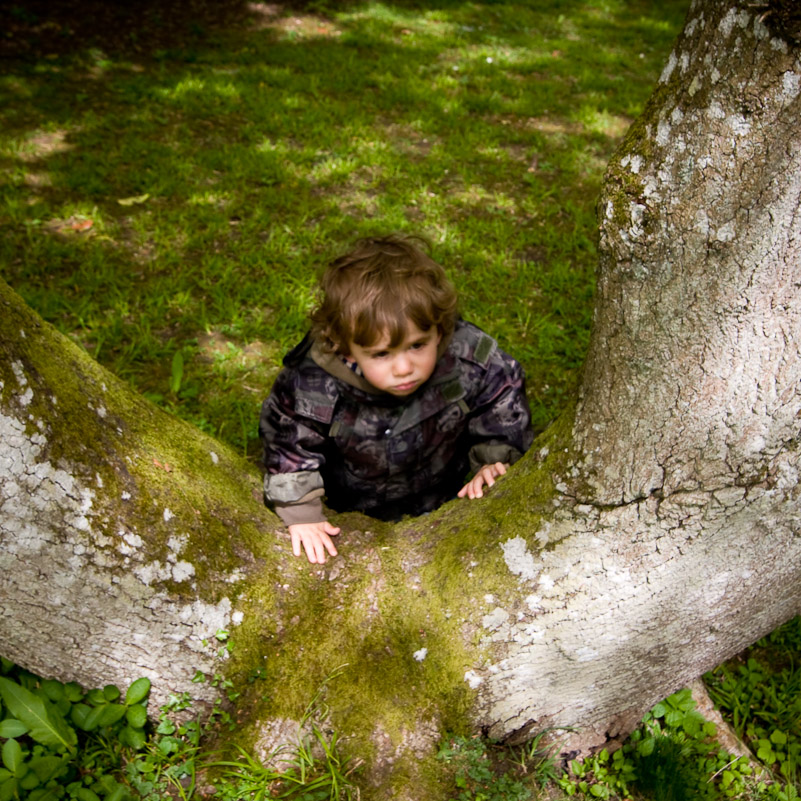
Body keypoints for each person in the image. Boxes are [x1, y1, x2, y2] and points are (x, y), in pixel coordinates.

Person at [259, 234, 533, 564]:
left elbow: (501, 393)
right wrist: (303, 512)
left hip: (443, 488)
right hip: (350, 500)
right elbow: (288, 441)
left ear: (439, 329)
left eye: (418, 345)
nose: (404, 368)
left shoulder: (466, 355)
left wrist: (494, 457)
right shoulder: (312, 383)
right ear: (347, 348)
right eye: (381, 354)